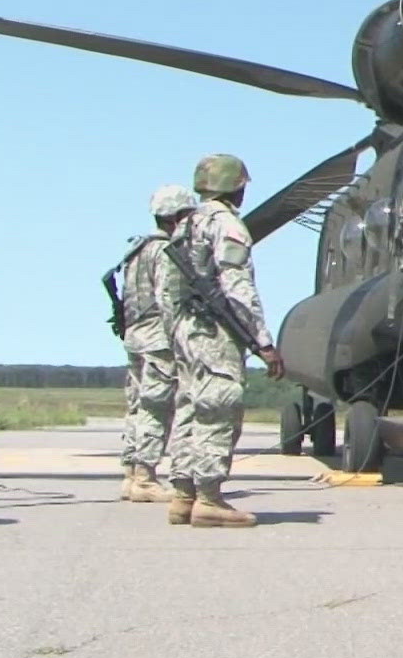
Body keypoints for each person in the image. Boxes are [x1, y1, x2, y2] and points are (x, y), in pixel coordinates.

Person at [156, 154, 283, 528]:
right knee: (218, 407)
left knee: (190, 408)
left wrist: (177, 334)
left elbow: (167, 291)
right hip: (215, 333)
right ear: (236, 187)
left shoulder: (186, 224)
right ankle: (209, 498)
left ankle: (183, 495)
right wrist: (264, 342)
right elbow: (237, 286)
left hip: (185, 333)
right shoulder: (227, 225)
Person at [106, 185, 196, 504]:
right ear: (176, 217)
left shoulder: (137, 249)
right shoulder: (165, 251)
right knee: (156, 407)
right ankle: (145, 476)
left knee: (137, 405)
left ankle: (131, 473)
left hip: (136, 336)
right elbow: (167, 298)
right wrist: (182, 336)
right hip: (158, 338)